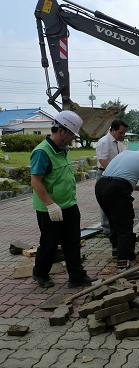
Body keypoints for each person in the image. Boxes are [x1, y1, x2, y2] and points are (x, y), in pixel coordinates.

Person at [31, 110, 97, 288]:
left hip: (68, 205)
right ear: (62, 130)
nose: (72, 139)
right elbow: (35, 181)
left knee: (73, 242)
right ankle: (40, 274)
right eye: (72, 135)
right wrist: (50, 204)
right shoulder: (42, 152)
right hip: (49, 209)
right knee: (49, 244)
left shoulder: (63, 149)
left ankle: (76, 276)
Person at [95, 147, 139, 274]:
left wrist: (138, 189)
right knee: (125, 227)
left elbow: (125, 179)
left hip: (101, 186)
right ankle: (123, 267)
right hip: (118, 189)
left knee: (114, 222)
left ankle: (118, 250)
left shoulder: (127, 153)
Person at [95, 119, 129, 236]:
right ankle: (107, 229)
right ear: (113, 130)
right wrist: (114, 172)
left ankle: (114, 226)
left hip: (115, 175)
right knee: (105, 202)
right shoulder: (104, 141)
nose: (122, 135)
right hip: (105, 174)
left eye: (124, 133)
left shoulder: (118, 143)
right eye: (121, 132)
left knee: (115, 202)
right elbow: (102, 160)